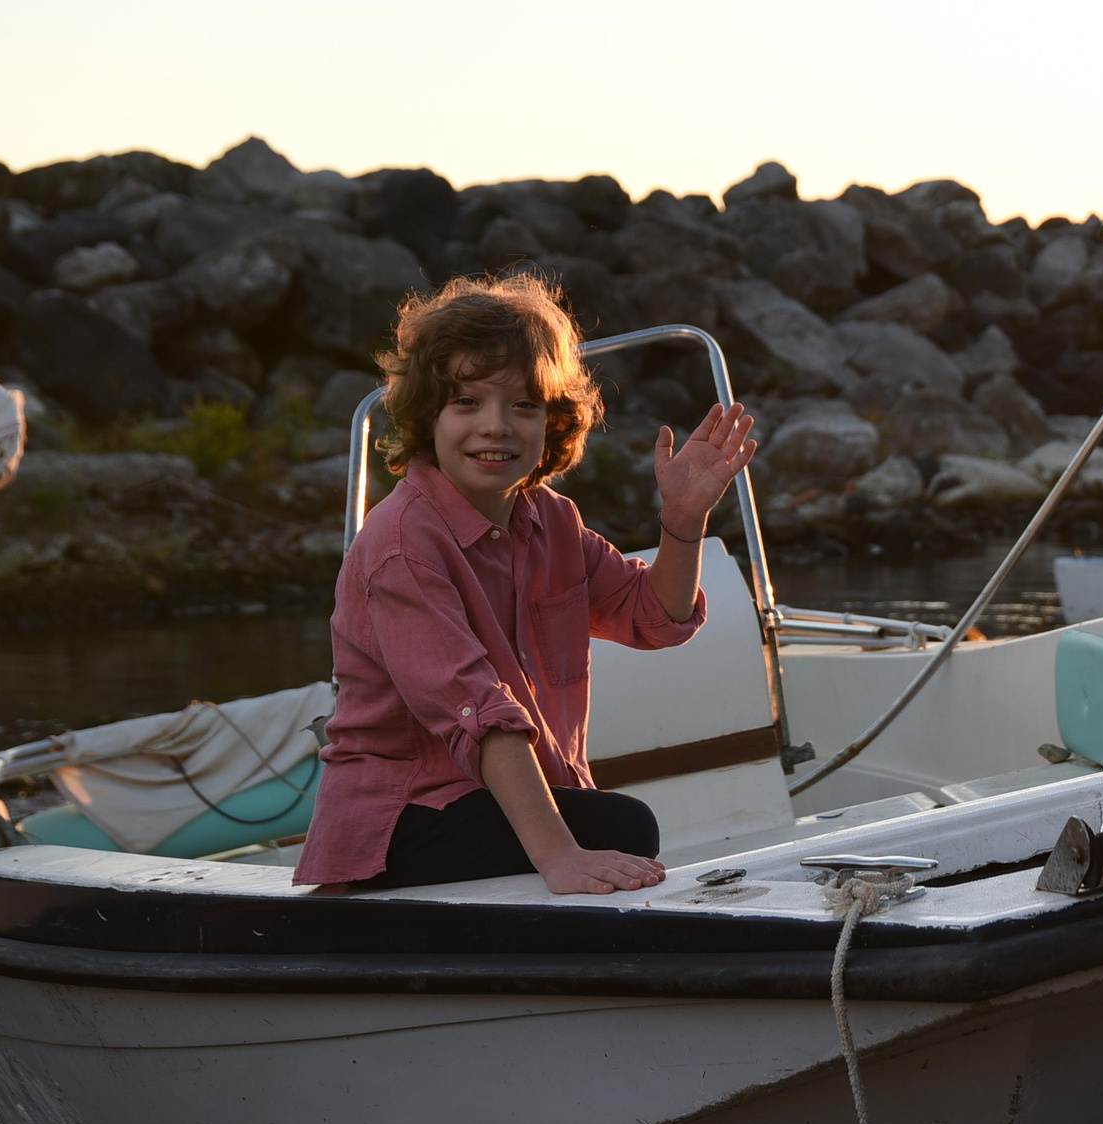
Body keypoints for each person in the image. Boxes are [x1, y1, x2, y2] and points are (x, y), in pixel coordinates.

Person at [293, 274, 756, 894]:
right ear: (428, 417)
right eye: (466, 403)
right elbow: (478, 711)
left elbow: (654, 618)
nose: (496, 426)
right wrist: (560, 857)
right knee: (622, 826)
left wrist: (684, 518)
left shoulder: (552, 520)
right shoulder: (402, 545)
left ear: (552, 421)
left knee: (614, 824)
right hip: (398, 821)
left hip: (500, 803)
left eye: (523, 405)